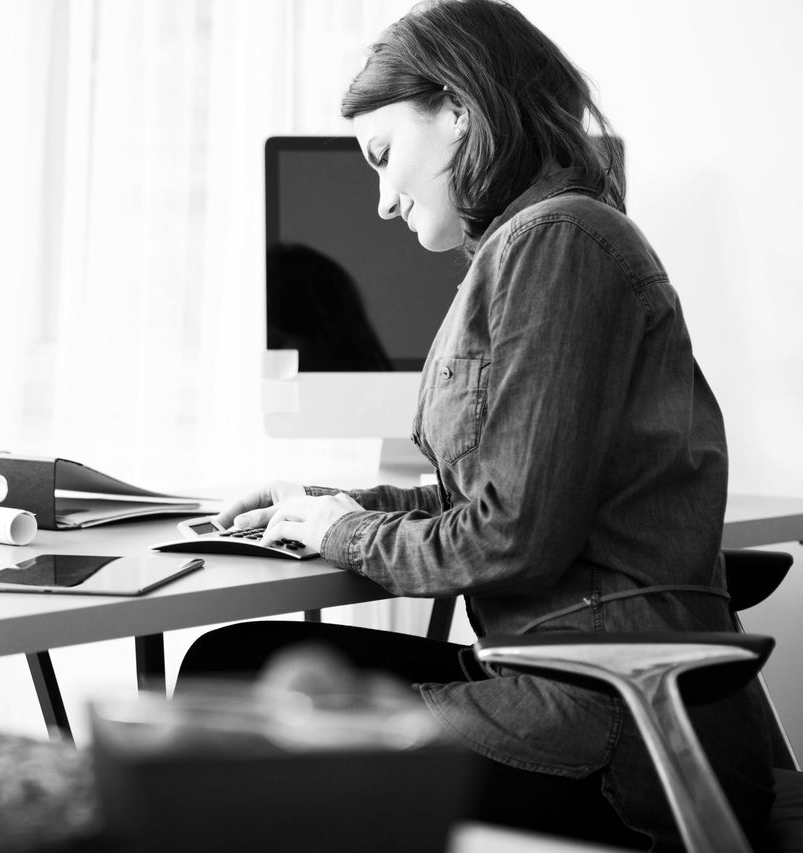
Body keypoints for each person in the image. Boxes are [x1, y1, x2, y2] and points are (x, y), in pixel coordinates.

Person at [176, 1, 776, 849]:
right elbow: (492, 494)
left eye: (384, 157)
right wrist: (330, 503)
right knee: (233, 667)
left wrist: (348, 531)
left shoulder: (558, 241)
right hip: (564, 680)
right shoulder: (531, 243)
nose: (381, 201)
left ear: (460, 108)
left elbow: (513, 537)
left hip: (605, 722)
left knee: (230, 693)